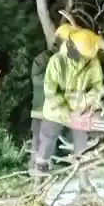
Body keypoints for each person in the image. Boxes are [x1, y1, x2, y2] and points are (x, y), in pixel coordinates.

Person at [32, 26, 104, 190]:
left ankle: (84, 181)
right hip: (56, 112)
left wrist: (87, 104)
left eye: (88, 57)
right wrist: (65, 111)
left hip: (80, 112)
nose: (85, 60)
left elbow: (96, 87)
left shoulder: (92, 62)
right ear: (73, 48)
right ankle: (39, 183)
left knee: (83, 147)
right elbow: (50, 90)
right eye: (83, 56)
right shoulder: (57, 61)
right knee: (46, 145)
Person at [30, 23, 74, 165]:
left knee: (56, 146)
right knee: (39, 147)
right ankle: (37, 173)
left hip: (58, 112)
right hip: (42, 112)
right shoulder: (44, 59)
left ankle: (54, 170)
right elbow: (41, 81)